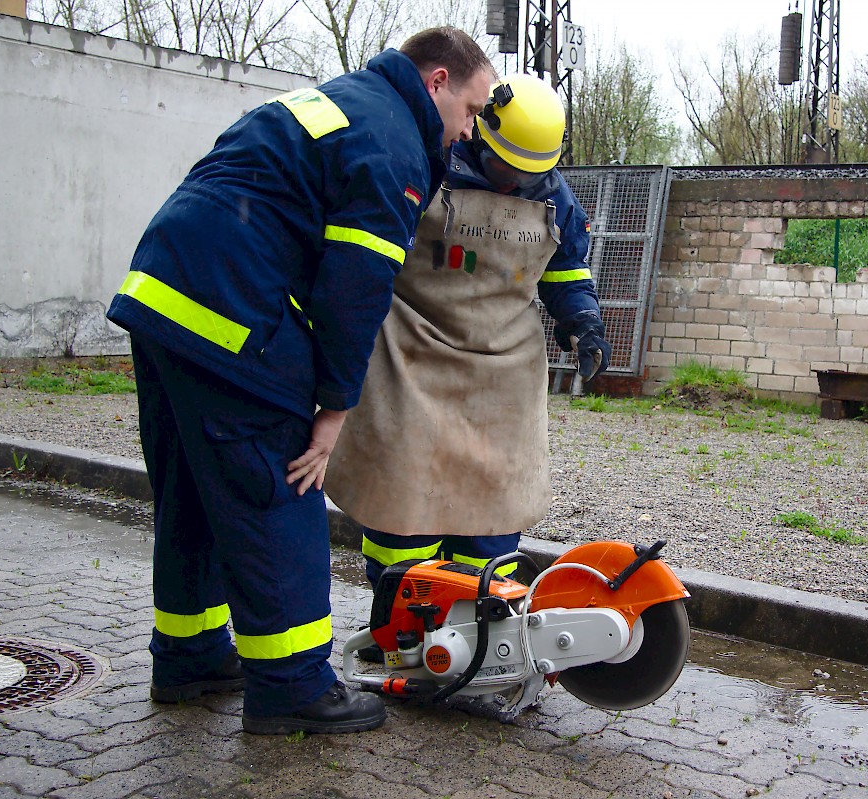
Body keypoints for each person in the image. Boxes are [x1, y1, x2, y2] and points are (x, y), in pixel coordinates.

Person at [103, 27, 496, 736]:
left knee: (193, 487)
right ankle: (290, 686)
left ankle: (189, 655)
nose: (467, 133)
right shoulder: (395, 147)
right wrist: (333, 409)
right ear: (436, 81)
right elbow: (354, 290)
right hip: (231, 313)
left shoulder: (343, 101)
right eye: (469, 111)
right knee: (279, 489)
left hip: (163, 292)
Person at [324, 73, 610, 623]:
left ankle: (479, 637)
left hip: (502, 377)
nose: (514, 184)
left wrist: (583, 325)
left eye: (530, 173)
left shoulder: (554, 196)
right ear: (481, 135)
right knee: (403, 507)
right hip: (409, 358)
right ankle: (401, 629)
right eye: (507, 169)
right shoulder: (428, 165)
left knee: (494, 507)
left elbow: (567, 271)